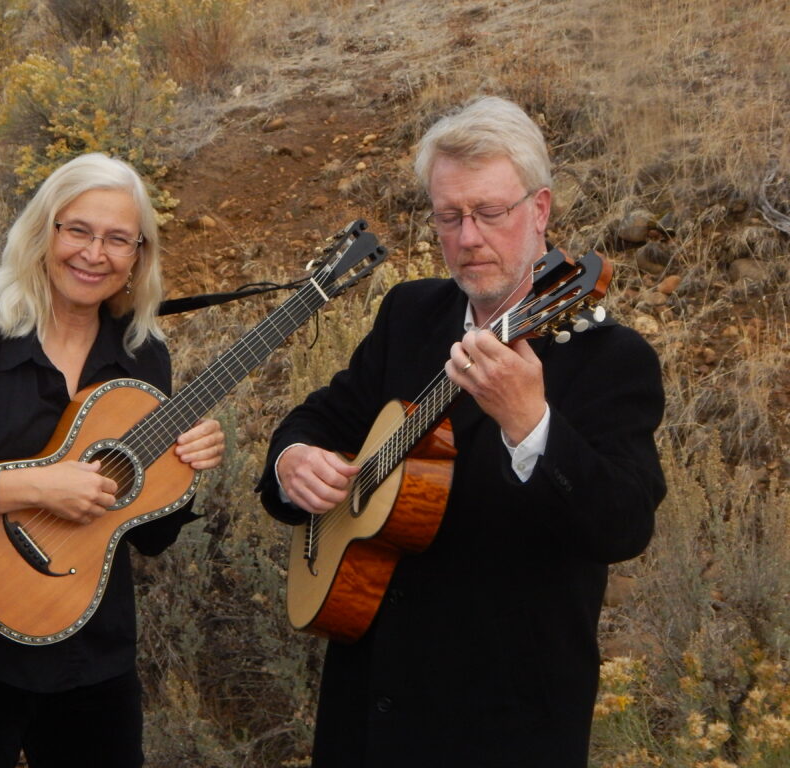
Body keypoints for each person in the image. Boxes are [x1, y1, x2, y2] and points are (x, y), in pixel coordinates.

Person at [257, 96, 666, 767]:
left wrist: (530, 423)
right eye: (450, 216)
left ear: (539, 212)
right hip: (367, 711)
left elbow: (623, 525)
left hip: (503, 726)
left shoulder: (608, 359)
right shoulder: (412, 313)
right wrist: (293, 460)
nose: (468, 237)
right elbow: (322, 414)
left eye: (489, 213)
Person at [0, 153, 225, 768]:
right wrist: (30, 487)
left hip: (92, 662)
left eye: (117, 239)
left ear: (138, 257)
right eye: (77, 229)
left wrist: (183, 469)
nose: (93, 253)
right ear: (42, 234)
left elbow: (150, 534)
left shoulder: (143, 361)